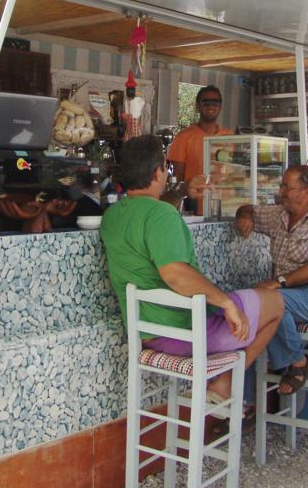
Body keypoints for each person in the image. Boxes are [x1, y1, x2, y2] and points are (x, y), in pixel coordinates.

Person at [100, 135, 284, 402]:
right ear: (158, 172)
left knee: (245, 301)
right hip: (185, 333)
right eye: (165, 167)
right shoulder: (161, 215)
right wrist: (225, 303)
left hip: (148, 333)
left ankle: (223, 384)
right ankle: (224, 383)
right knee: (275, 303)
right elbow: (175, 274)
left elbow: (149, 216)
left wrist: (181, 192)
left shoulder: (113, 215)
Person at [234, 165, 308, 395]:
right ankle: (246, 400)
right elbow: (247, 208)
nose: (281, 191)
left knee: (269, 302)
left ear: (306, 191)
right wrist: (245, 216)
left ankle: (297, 361)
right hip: (287, 293)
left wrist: (279, 281)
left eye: (286, 187)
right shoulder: (278, 214)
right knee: (249, 311)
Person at [167, 86, 233, 211]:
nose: (211, 106)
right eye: (205, 102)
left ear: (220, 106)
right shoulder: (184, 137)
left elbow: (235, 173)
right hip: (195, 207)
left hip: (226, 207)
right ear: (197, 106)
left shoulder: (230, 136)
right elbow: (178, 179)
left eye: (215, 102)